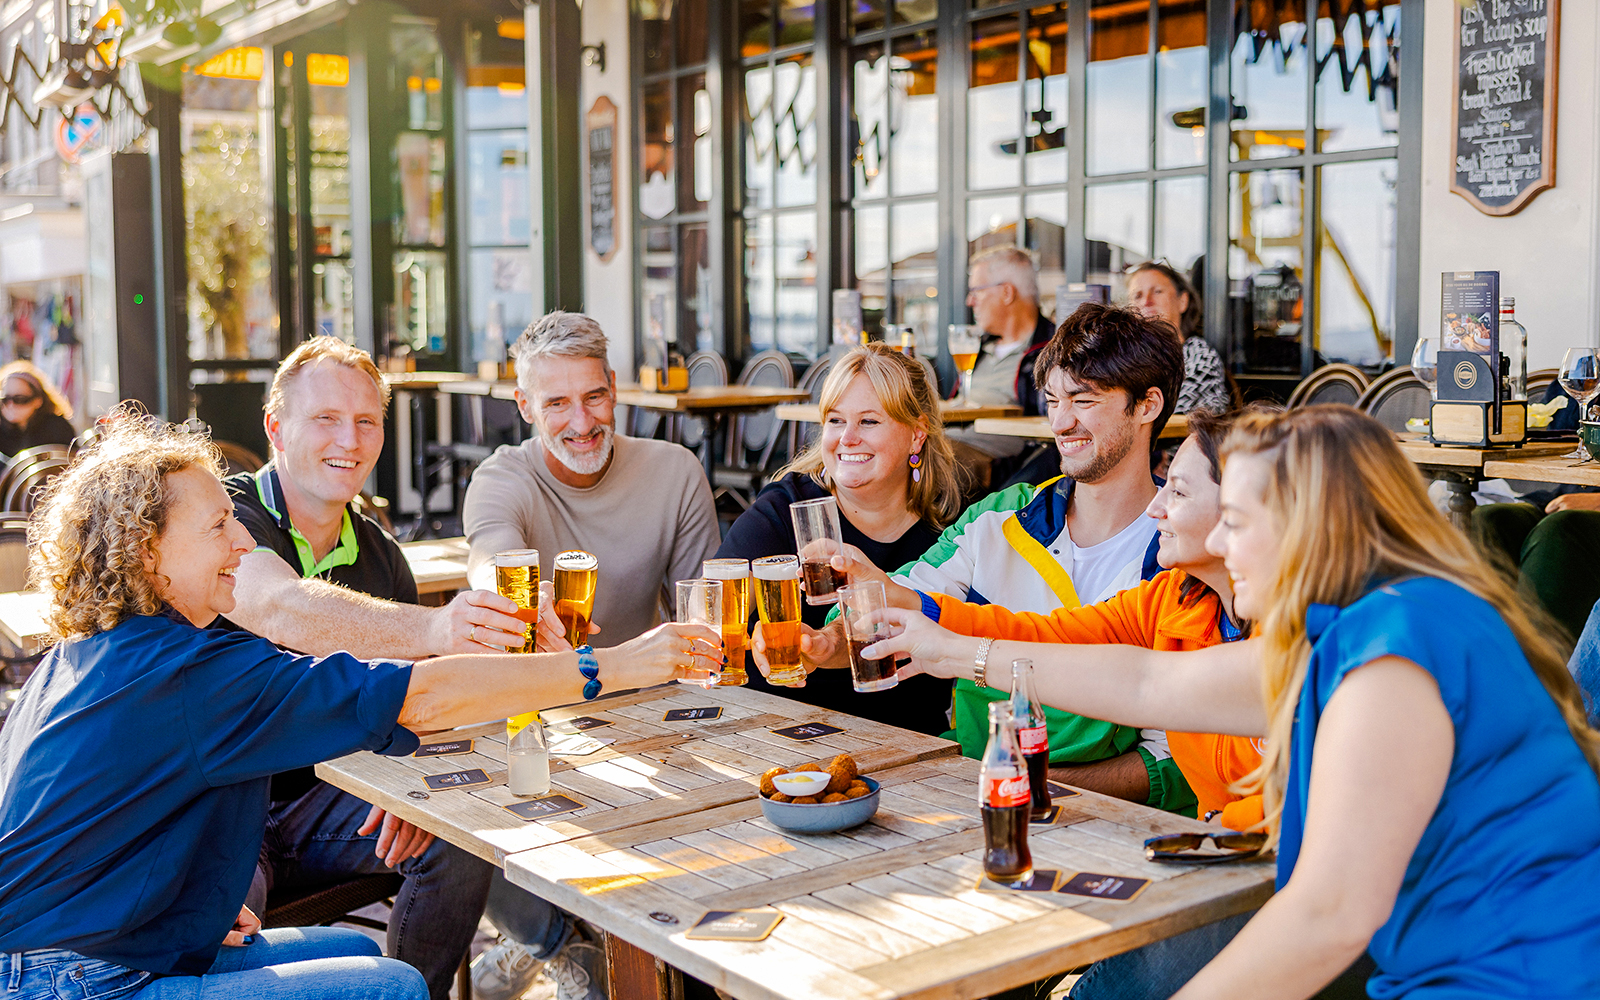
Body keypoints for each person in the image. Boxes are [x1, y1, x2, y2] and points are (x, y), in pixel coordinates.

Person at [866, 404, 1600, 1000]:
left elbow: (1327, 917)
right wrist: (953, 652)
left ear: (1308, 527)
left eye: (1238, 523)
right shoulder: (1360, 629)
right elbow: (1145, 683)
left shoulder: (1393, 653)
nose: (1219, 540)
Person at [0, 412, 719, 1000]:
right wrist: (615, 665)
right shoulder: (195, 672)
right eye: (220, 526)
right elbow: (423, 694)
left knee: (348, 946)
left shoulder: (84, 657)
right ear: (146, 551)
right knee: (390, 986)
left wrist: (170, 913)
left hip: (58, 952)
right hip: (76, 981)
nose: (245, 540)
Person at [770, 304, 1196, 813]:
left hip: (1106, 821)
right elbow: (892, 609)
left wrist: (1018, 785)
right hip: (963, 800)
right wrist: (824, 643)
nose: (1062, 421)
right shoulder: (1001, 516)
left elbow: (1176, 764)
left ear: (1148, 405)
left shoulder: (1181, 552)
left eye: (1083, 400)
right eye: (1054, 399)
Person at [220, 337, 534, 1000]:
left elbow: (419, 701)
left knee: (455, 832)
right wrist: (438, 628)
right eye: (327, 419)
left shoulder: (383, 554)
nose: (350, 440)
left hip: (327, 800)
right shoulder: (229, 517)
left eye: (366, 421)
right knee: (213, 918)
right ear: (276, 427)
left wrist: (408, 784)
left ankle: (415, 991)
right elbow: (283, 608)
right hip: (226, 802)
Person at [461, 311, 720, 999]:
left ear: (615, 388)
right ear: (524, 408)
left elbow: (701, 618)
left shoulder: (674, 471)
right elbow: (489, 559)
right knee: (445, 799)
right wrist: (521, 603)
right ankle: (558, 947)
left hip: (651, 710)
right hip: (541, 708)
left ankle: (548, 947)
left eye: (593, 396)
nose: (581, 421)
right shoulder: (502, 479)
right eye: (556, 403)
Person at [716, 343, 961, 734]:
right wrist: (755, 643)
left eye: (869, 422)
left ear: (917, 435)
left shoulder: (954, 531)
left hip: (913, 746)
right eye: (835, 420)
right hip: (783, 740)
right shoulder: (785, 510)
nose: (847, 438)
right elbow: (712, 615)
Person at [945, 246, 1059, 487]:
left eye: (976, 290)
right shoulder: (977, 345)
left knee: (920, 456)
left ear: (1007, 292)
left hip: (1003, 454)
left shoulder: (1053, 348)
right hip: (948, 436)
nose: (970, 301)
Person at [1126, 261, 1230, 415]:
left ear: (1183, 301)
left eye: (1157, 291)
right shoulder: (1124, 357)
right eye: (1137, 295)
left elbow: (1169, 415)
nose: (1146, 301)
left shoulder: (1198, 355)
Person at [0, 359, 75, 456]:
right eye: (5, 399)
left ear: (38, 400)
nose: (11, 405)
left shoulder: (57, 429)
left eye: (20, 399)